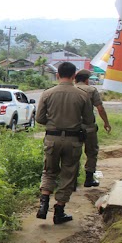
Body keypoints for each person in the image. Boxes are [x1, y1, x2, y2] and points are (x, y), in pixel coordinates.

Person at [36, 62, 95, 224]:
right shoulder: (82, 95)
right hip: (73, 140)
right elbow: (89, 120)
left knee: (49, 171)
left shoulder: (47, 93)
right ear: (74, 76)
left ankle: (43, 204)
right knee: (68, 174)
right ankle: (59, 211)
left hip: (52, 139)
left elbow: (40, 119)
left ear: (57, 75)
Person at [74, 69, 111, 186]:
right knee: (91, 153)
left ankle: (73, 181)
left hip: (72, 128)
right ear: (86, 80)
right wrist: (106, 122)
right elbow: (100, 108)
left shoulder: (70, 90)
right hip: (88, 127)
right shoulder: (91, 90)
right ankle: (89, 179)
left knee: (73, 154)